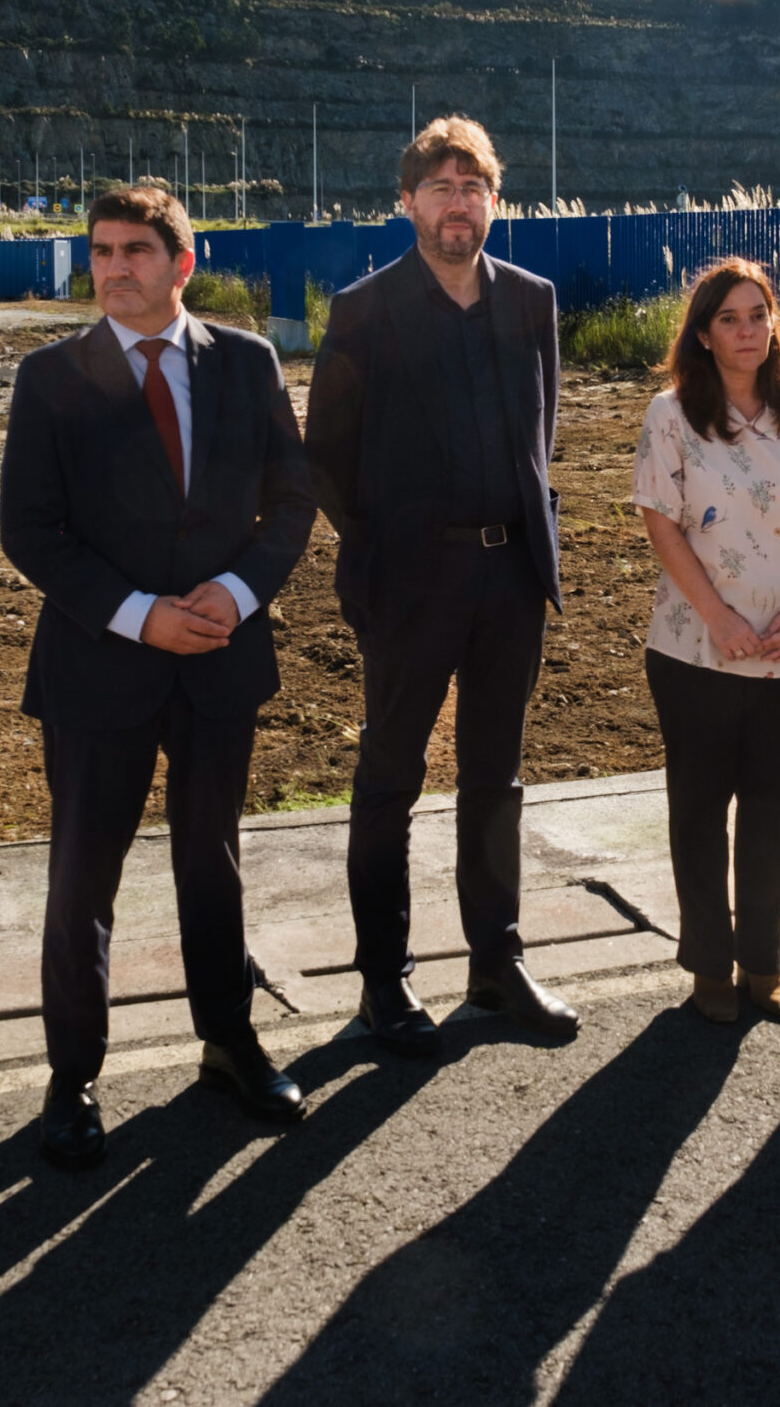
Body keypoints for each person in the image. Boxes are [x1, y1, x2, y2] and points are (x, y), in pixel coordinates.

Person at [0, 185, 318, 1169]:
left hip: (221, 659)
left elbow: (292, 502)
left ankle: (228, 1041)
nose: (113, 268)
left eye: (135, 250)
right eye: (100, 251)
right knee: (82, 879)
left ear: (182, 264)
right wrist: (140, 617)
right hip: (100, 668)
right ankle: (73, 1077)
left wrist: (235, 592)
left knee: (209, 860)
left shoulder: (248, 363)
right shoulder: (50, 376)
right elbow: (29, 531)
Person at [302, 116, 576, 1055]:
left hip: (511, 577)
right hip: (411, 584)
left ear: (493, 202)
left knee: (495, 780)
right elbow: (326, 459)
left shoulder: (533, 300)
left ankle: (496, 964)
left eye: (474, 187)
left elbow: (543, 432)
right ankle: (385, 980)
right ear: (407, 201)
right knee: (389, 780)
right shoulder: (364, 309)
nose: (458, 203)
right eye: (440, 186)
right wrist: (385, 548)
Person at [631, 258, 780, 1023]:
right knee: (699, 810)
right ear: (702, 332)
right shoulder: (673, 415)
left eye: (758, 314)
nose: (747, 330)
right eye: (729, 317)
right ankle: (709, 965)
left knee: (770, 811)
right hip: (697, 648)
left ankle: (765, 959)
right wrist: (720, 618)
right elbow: (661, 521)